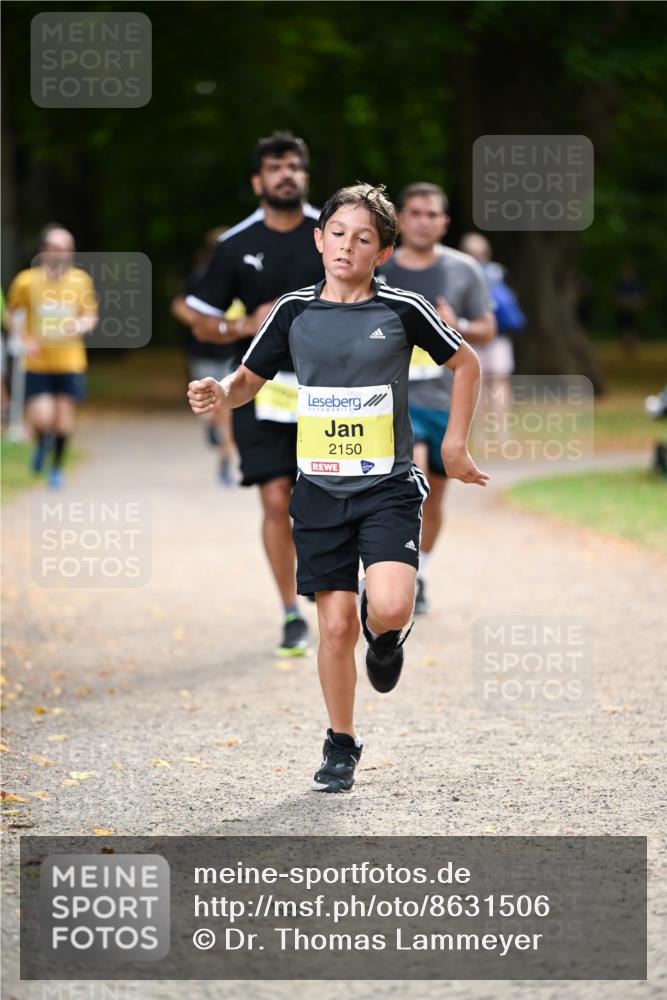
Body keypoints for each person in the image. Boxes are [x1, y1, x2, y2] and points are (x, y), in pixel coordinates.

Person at [188, 183, 488, 793]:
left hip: (387, 487)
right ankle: (341, 744)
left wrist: (454, 445)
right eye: (338, 234)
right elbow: (248, 379)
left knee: (392, 606)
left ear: (383, 253)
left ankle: (386, 640)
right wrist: (221, 391)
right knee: (333, 627)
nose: (348, 246)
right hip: (320, 492)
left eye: (364, 238)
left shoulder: (402, 309)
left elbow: (466, 364)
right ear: (319, 239)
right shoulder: (292, 311)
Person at [185, 131, 323, 658]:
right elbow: (202, 321)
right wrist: (245, 325)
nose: (286, 174)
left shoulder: (330, 233)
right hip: (260, 386)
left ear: (305, 175)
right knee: (275, 497)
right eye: (275, 167)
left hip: (330, 389)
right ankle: (290, 612)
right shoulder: (235, 244)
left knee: (330, 498)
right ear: (257, 180)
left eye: (294, 166)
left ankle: (333, 587)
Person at [378, 184, 496, 614]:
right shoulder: (379, 265)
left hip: (444, 397)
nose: (423, 221)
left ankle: (420, 571)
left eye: (432, 214)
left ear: (444, 222)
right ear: (400, 219)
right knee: (410, 483)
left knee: (433, 496)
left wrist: (455, 323)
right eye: (415, 213)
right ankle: (391, 569)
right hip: (391, 396)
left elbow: (488, 329)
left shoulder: (463, 270)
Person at [6, 224, 98, 488]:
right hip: (37, 361)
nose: (64, 253)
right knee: (42, 416)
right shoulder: (26, 281)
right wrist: (25, 340)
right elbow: (11, 315)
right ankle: (41, 442)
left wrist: (80, 325)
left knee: (63, 419)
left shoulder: (81, 280)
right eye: (58, 248)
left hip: (70, 361)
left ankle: (56, 468)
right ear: (43, 250)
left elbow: (90, 315)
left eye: (68, 248)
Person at [171, 227, 242, 485]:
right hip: (201, 352)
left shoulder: (242, 276)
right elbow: (179, 305)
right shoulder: (200, 276)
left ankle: (225, 461)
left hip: (231, 353)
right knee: (208, 406)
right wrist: (201, 322)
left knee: (225, 407)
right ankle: (212, 428)